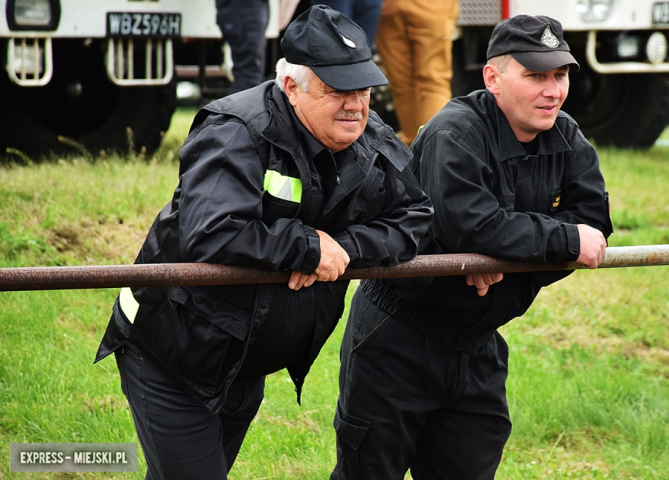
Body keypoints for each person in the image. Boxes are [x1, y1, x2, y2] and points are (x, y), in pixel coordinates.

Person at [94, 5, 433, 479]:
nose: (356, 104)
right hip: (172, 354)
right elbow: (211, 230)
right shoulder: (237, 130)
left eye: (364, 88)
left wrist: (345, 247)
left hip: (244, 359)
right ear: (291, 86)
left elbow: (417, 215)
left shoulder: (368, 137)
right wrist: (307, 247)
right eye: (338, 90)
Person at [331, 14, 613, 480]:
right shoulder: (455, 132)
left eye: (560, 75)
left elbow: (594, 229)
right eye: (536, 75)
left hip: (479, 346)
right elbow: (474, 227)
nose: (553, 90)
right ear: (493, 78)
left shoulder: (567, 136)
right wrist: (548, 240)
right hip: (398, 339)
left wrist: (510, 258)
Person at [375, 0, 459, 145]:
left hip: (389, 5)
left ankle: (412, 151)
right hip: (431, 5)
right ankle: (436, 149)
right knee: (433, 83)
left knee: (401, 86)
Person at [216, 0, 270, 94]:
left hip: (247, 7)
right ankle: (240, 107)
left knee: (251, 73)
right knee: (249, 74)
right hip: (244, 7)